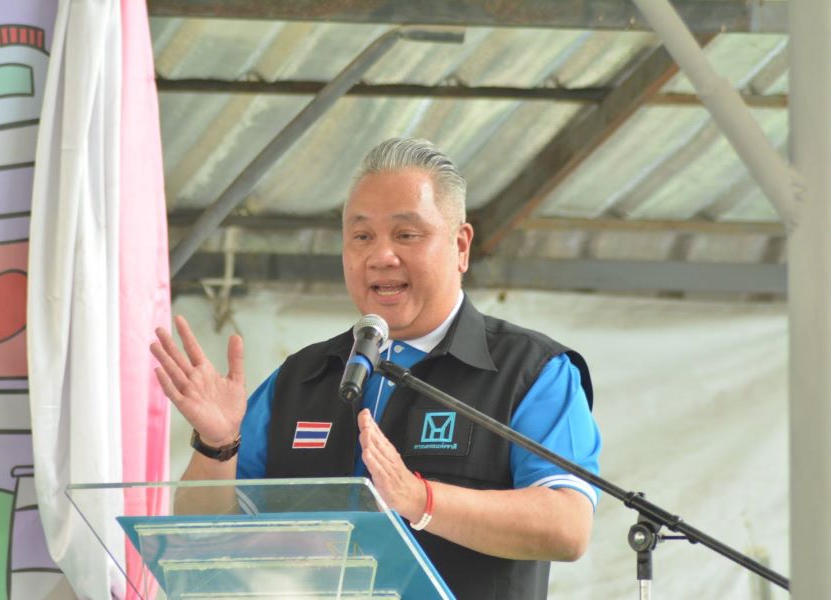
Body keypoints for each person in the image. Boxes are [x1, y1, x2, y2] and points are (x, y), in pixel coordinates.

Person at [151, 137, 601, 599]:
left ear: (460, 246)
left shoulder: (530, 371)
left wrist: (421, 500)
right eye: (362, 237)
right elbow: (203, 537)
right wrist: (217, 445)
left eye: (406, 235)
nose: (381, 256)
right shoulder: (300, 377)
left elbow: (567, 525)